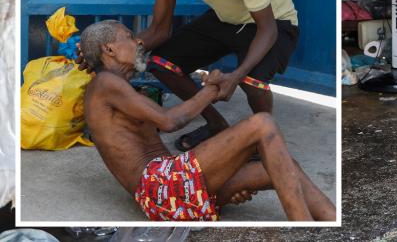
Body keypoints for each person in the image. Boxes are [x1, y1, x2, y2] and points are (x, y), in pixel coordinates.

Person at [80, 20, 335, 222]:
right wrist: (213, 88)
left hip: (174, 188)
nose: (138, 40)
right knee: (262, 124)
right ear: (109, 49)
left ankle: (332, 220)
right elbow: (170, 121)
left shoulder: (119, 89)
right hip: (160, 189)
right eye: (128, 36)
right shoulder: (105, 83)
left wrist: (223, 173)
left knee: (286, 166)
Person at [136, 0, 300, 152]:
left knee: (252, 81)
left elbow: (268, 30)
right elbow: (159, 30)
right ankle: (216, 124)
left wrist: (235, 76)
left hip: (273, 22)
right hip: (227, 19)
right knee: (161, 63)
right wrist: (125, 50)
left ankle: (265, 138)